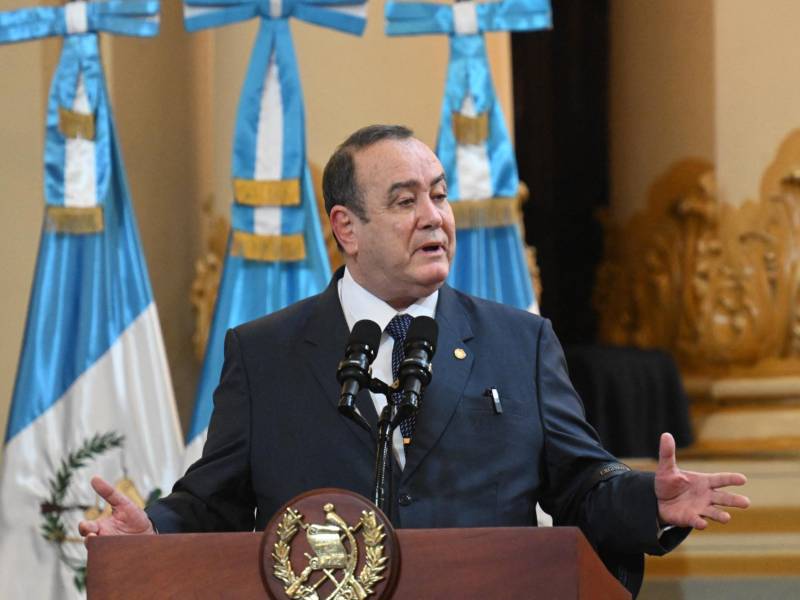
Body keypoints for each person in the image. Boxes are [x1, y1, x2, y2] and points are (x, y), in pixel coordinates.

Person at [80, 124, 749, 596]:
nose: (435, 217)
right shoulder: (265, 353)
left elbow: (581, 486)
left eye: (439, 193)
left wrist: (648, 502)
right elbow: (210, 506)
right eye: (405, 201)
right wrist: (153, 529)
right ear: (347, 228)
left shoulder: (520, 341)